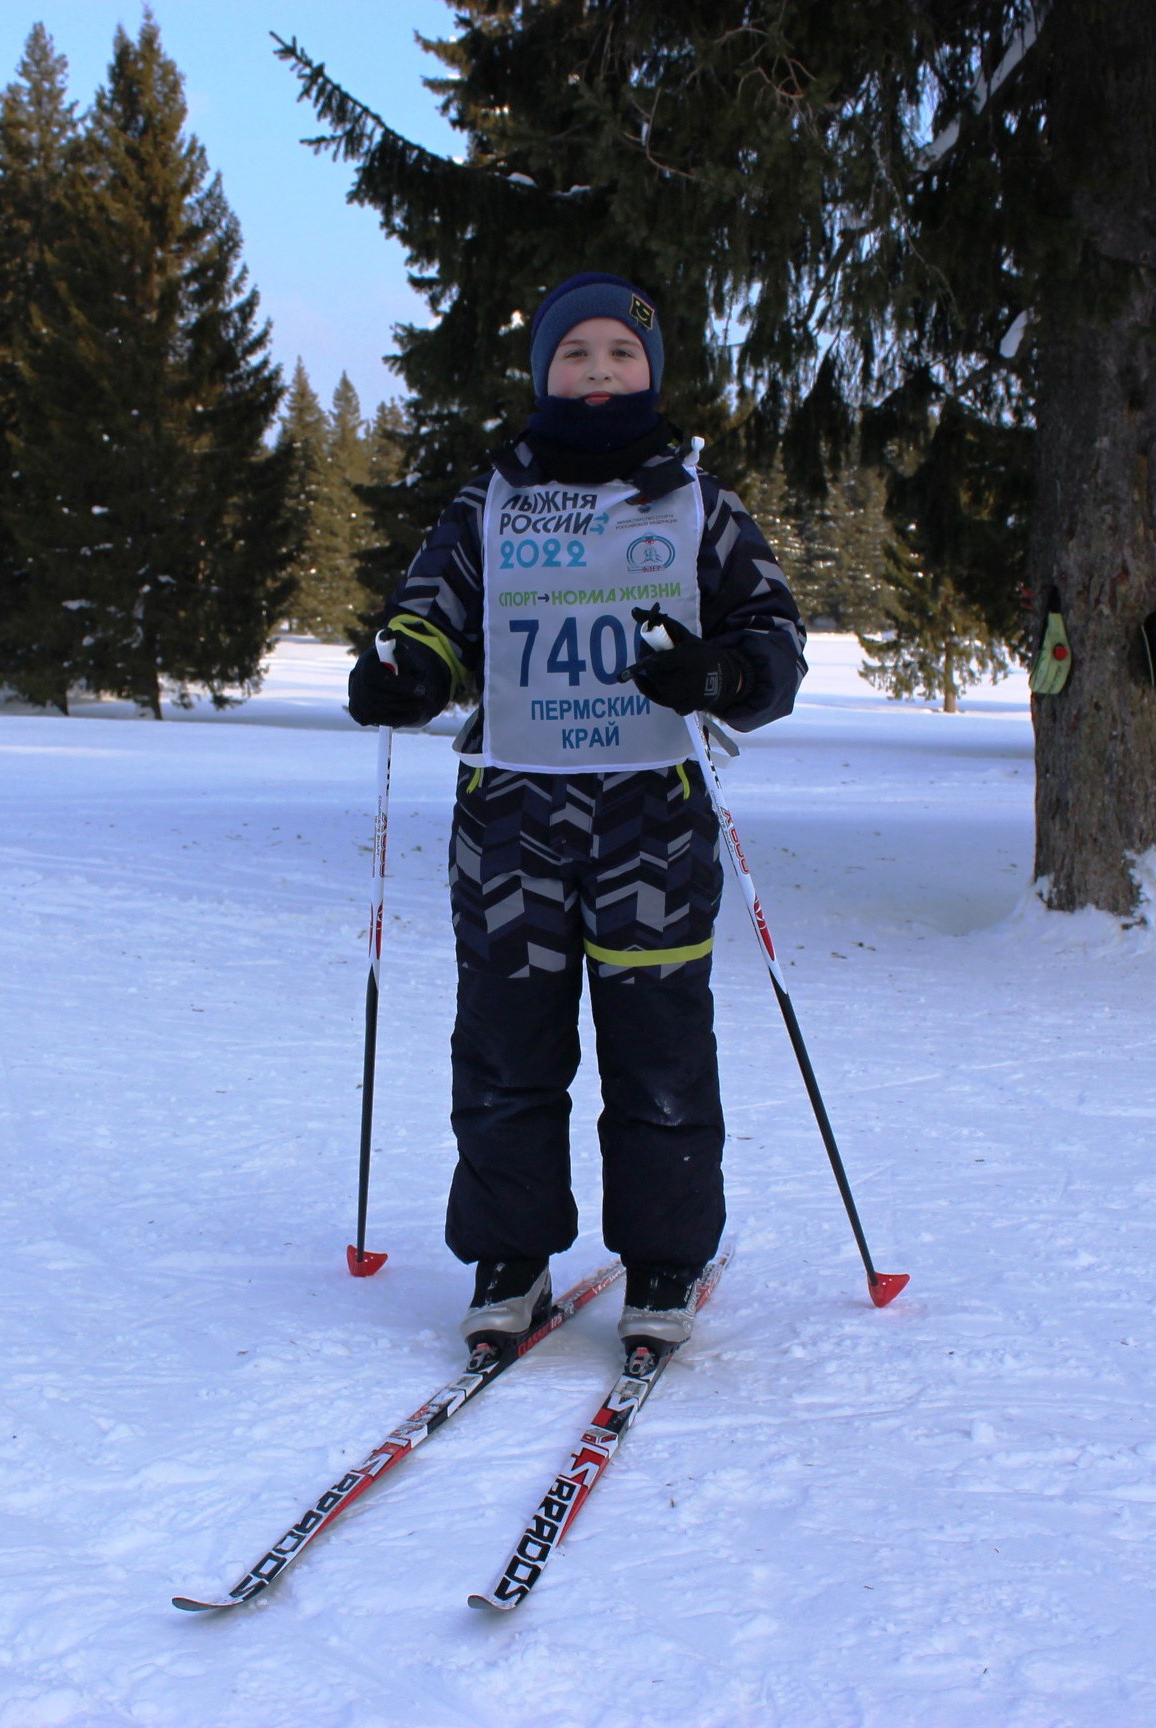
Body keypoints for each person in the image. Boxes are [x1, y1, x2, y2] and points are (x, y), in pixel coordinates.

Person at [346, 271, 805, 1354]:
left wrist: (720, 673)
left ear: (652, 372)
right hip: (512, 818)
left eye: (620, 353)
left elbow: (772, 638)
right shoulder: (491, 500)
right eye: (573, 353)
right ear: (543, 371)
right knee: (506, 1045)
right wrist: (406, 672)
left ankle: (664, 1259)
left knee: (659, 1046)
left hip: (652, 818)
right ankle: (509, 1255)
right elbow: (429, 613)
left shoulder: (696, 502)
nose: (597, 371)